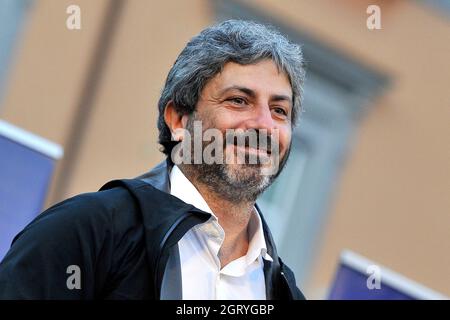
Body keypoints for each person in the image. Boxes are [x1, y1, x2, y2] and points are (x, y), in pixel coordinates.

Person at [0, 19, 306, 300]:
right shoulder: (84, 232)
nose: (264, 126)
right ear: (178, 120)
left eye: (280, 110)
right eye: (239, 101)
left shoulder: (284, 292)